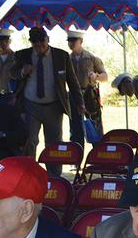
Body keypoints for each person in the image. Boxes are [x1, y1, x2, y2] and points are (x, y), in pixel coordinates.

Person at [11, 26, 84, 176]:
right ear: (31, 43)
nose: (39, 46)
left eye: (42, 42)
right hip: (30, 104)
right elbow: (12, 74)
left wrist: (80, 103)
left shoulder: (61, 56)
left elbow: (72, 81)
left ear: (47, 39)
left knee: (54, 144)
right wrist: (22, 72)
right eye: (35, 43)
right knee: (30, 141)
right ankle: (28, 175)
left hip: (54, 106)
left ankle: (54, 176)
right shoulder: (22, 55)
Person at [66, 30, 108, 145]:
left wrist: (96, 76)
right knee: (75, 130)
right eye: (69, 40)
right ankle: (76, 160)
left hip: (90, 96)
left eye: (74, 40)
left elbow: (105, 77)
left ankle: (98, 158)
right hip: (74, 96)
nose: (71, 43)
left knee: (95, 129)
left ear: (81, 41)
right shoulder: (66, 59)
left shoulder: (92, 58)